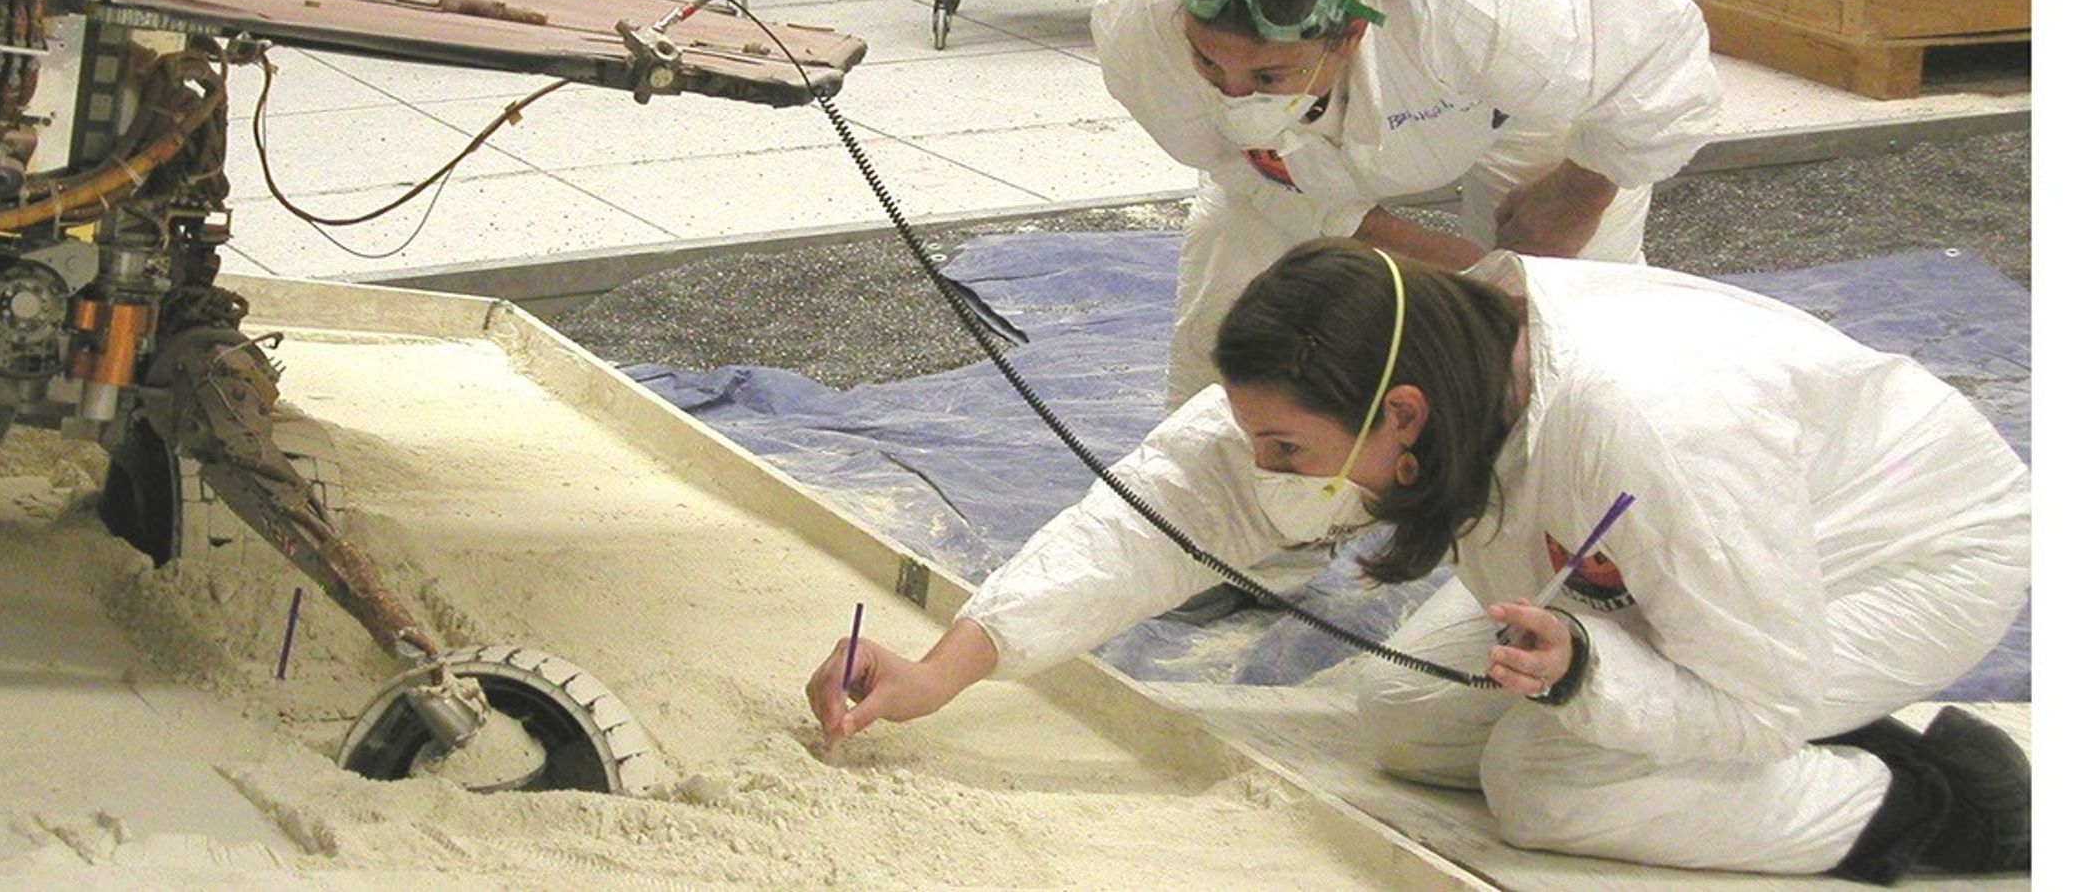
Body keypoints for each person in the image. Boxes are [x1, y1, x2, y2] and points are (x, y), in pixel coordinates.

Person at [806, 239, 2029, 881]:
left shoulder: (1649, 431)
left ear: (1399, 415)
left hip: (1893, 554)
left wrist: (1585, 671)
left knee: (1549, 788)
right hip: (1688, 563)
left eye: (1288, 449)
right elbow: (1169, 505)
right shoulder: (1429, 360)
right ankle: (1803, 721)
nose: (1268, 470)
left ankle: (1939, 802)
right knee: (1405, 714)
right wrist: (944, 666)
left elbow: (1754, 693)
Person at [1090, 0, 1721, 413]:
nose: (1236, 97)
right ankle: (1217, 478)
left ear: (1350, 34)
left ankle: (1555, 476)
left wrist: (1575, 197)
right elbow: (1241, 170)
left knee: (1559, 310)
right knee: (1236, 274)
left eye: (1267, 75)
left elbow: (1658, 69)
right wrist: (1429, 255)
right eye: (1209, 64)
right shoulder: (1142, 16)